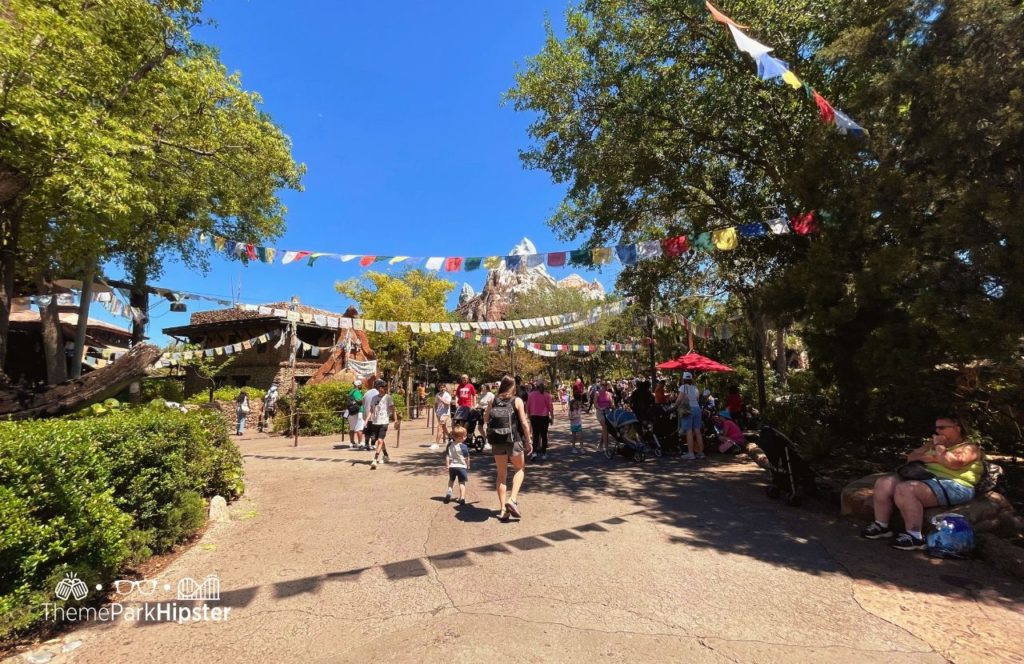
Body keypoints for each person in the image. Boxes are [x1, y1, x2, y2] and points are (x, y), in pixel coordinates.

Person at [862, 415, 982, 550]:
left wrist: (939, 447)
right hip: (928, 479)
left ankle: (914, 536)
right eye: (936, 428)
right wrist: (934, 458)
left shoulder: (970, 448)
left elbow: (955, 463)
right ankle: (881, 525)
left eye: (942, 428)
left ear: (957, 428)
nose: (938, 431)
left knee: (906, 489)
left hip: (956, 485)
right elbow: (911, 457)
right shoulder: (931, 444)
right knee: (884, 482)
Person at [484, 375, 533, 521]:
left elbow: (486, 419)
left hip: (497, 440)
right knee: (519, 469)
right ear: (513, 387)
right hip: (513, 439)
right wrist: (529, 440)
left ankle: (503, 509)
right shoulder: (516, 400)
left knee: (501, 473)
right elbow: (524, 423)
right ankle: (512, 499)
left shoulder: (493, 399)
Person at [675, 372, 704, 460]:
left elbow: (679, 399)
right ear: (691, 379)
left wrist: (674, 405)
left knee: (689, 431)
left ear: (683, 379)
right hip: (697, 409)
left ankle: (691, 453)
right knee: (698, 431)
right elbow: (697, 399)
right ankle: (701, 452)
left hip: (688, 410)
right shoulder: (695, 388)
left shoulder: (683, 387)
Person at [367, 379, 395, 470]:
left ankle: (375, 459)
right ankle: (386, 455)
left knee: (379, 440)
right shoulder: (374, 398)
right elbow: (371, 410)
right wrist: (367, 420)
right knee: (380, 440)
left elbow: (392, 409)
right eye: (380, 387)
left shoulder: (388, 397)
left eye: (383, 387)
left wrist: (396, 420)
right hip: (375, 422)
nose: (382, 389)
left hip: (384, 421)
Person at [526, 380, 555, 461]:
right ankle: (544, 453)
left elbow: (527, 406)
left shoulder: (531, 395)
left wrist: (529, 416)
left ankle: (534, 452)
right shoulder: (547, 395)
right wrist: (552, 417)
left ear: (536, 386)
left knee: (535, 435)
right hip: (544, 417)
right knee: (544, 435)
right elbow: (550, 407)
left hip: (534, 416)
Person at [443, 425, 471, 505]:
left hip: (452, 466)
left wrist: (447, 465)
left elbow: (447, 456)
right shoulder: (464, 446)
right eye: (464, 436)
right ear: (461, 437)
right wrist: (468, 465)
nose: (465, 438)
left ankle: (449, 492)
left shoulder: (450, 445)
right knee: (462, 483)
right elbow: (466, 457)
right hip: (461, 467)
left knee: (451, 480)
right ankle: (462, 498)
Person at [593, 381, 615, 454]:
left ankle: (600, 445)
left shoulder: (609, 394)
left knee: (606, 428)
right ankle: (606, 447)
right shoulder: (597, 393)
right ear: (600, 385)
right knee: (605, 426)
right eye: (602, 385)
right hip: (600, 412)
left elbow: (612, 404)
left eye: (605, 385)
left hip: (608, 411)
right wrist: (599, 408)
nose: (604, 386)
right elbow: (595, 404)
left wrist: (614, 407)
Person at [347, 380, 365, 449]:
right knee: (359, 428)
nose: (361, 386)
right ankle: (360, 443)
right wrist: (364, 399)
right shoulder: (357, 392)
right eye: (360, 385)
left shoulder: (351, 392)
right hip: (358, 411)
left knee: (352, 428)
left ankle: (352, 442)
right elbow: (359, 400)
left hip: (351, 412)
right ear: (358, 385)